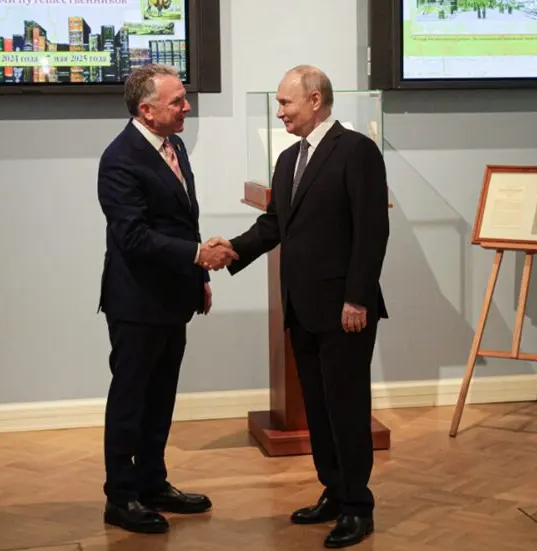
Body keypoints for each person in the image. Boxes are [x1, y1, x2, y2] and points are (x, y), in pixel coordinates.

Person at [204, 65, 389, 548]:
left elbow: (372, 230)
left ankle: (358, 507)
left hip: (345, 310)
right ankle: (334, 490)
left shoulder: (357, 151)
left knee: (347, 407)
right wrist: (232, 250)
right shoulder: (288, 159)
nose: (280, 112)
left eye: (286, 103)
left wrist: (357, 297)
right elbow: (274, 225)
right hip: (302, 307)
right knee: (319, 409)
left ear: (315, 100)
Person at [97, 64, 238, 534]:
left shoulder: (172, 145)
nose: (187, 107)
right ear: (146, 110)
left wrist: (198, 276)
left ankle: (152, 484)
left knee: (160, 398)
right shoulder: (119, 159)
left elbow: (180, 222)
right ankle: (121, 497)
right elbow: (134, 237)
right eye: (177, 101)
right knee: (130, 400)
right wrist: (199, 256)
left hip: (173, 298)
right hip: (136, 303)